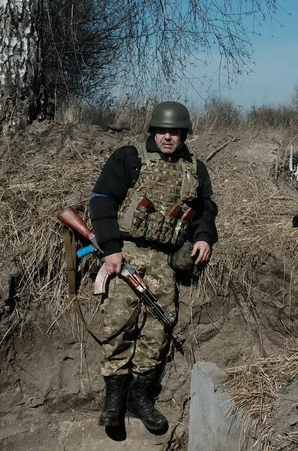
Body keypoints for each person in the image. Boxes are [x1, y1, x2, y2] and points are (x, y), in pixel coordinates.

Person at [88, 101, 218, 432]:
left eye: (175, 132)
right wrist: (112, 249)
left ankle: (138, 398)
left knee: (159, 327)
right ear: (153, 131)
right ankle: (113, 402)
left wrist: (204, 237)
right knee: (118, 324)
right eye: (162, 131)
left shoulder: (196, 168)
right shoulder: (128, 157)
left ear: (184, 134)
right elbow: (102, 200)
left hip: (165, 258)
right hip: (127, 252)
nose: (168, 137)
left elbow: (206, 208)